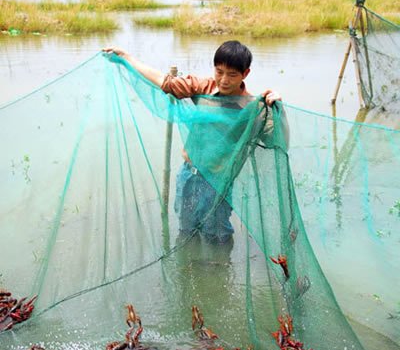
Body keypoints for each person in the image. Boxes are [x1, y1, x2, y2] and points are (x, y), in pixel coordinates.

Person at [103, 41, 282, 245]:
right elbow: (165, 83)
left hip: (219, 181)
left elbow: (277, 140)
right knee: (186, 229)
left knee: (217, 235)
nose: (223, 80)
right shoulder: (203, 88)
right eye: (219, 71)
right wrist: (127, 57)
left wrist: (278, 109)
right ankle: (188, 265)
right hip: (189, 174)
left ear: (245, 74)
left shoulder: (252, 107)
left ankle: (220, 270)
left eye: (232, 74)